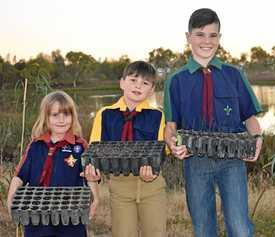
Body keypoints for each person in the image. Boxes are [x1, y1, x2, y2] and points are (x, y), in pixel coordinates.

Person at [164, 8, 263, 237]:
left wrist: (257, 138)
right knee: (202, 227)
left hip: (232, 160)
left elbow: (250, 118)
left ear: (220, 38)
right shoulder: (176, 80)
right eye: (200, 34)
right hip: (195, 161)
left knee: (239, 227)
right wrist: (172, 145)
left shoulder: (234, 74)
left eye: (213, 35)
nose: (206, 41)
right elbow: (171, 127)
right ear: (188, 37)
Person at [7, 91, 100, 237]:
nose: (61, 120)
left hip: (71, 215)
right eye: (55, 115)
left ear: (73, 116)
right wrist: (11, 198)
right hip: (36, 215)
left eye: (66, 114)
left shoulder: (80, 146)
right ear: (46, 117)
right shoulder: (35, 145)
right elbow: (20, 175)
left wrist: (95, 199)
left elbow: (90, 177)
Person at [90, 61, 166, 237]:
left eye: (145, 83)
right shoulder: (105, 114)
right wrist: (93, 171)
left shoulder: (158, 115)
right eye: (133, 80)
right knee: (123, 233)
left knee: (155, 232)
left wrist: (154, 169)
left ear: (152, 90)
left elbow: (162, 151)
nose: (138, 86)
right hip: (119, 186)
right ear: (122, 82)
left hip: (152, 185)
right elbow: (96, 150)